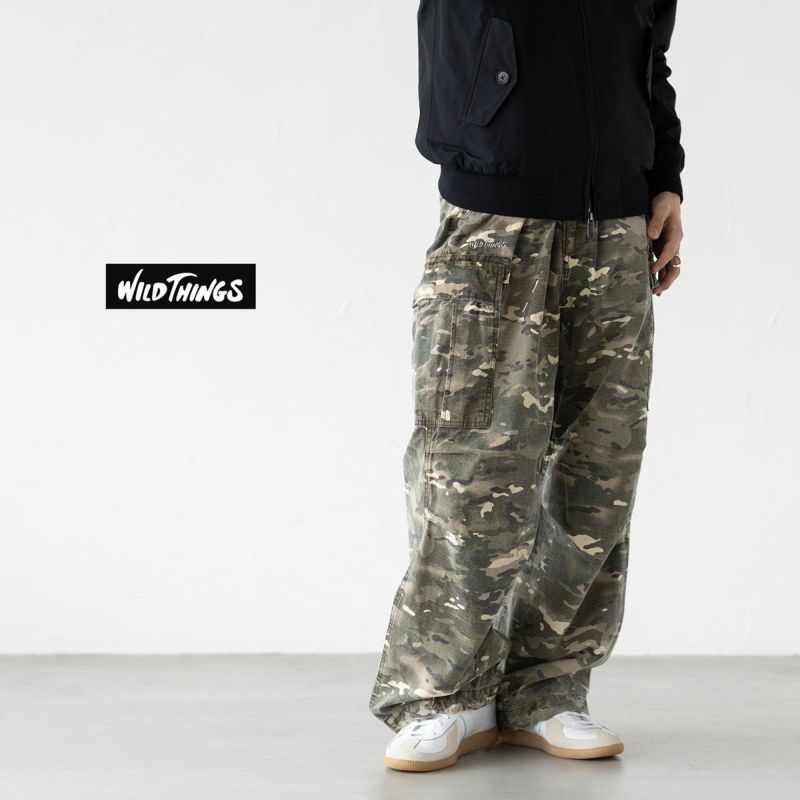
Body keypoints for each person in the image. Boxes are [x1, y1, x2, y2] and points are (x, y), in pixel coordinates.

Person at [369, 0, 684, 772]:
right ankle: (444, 694)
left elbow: (648, 58)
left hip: (617, 223)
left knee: (597, 476)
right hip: (494, 219)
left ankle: (546, 688)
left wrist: (665, 178)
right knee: (470, 465)